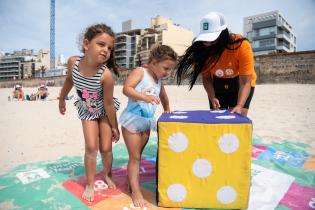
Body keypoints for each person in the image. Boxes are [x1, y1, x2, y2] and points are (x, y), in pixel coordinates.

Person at [58, 23, 120, 202]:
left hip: (104, 112)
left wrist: (114, 127)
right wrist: (62, 99)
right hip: (87, 109)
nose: (106, 50)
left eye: (109, 48)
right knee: (91, 147)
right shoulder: (73, 62)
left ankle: (108, 174)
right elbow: (69, 81)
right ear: (86, 44)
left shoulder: (105, 75)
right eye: (101, 44)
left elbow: (108, 104)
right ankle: (90, 183)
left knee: (106, 148)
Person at [119, 45, 177, 207]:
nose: (167, 73)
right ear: (153, 62)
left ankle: (131, 180)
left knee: (138, 155)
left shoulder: (159, 81)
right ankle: (136, 191)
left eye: (170, 70)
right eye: (165, 68)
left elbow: (164, 97)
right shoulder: (140, 72)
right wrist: (144, 97)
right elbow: (126, 89)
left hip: (146, 121)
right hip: (132, 120)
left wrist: (167, 110)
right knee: (135, 157)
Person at [176, 12, 256, 116]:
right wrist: (212, 97)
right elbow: (207, 78)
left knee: (237, 117)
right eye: (205, 40)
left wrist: (240, 105)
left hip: (240, 81)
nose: (208, 45)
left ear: (223, 35)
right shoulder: (201, 52)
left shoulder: (241, 46)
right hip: (218, 81)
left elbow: (245, 82)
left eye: (212, 40)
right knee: (218, 117)